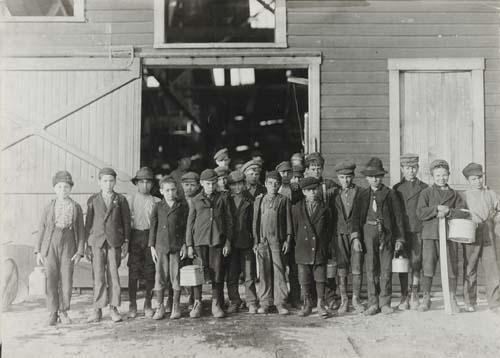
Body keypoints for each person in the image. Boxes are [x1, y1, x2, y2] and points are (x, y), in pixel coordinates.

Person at [351, 157, 405, 315]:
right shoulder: (362, 195)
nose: (375, 179)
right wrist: (356, 238)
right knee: (371, 268)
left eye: (378, 176)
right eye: (371, 176)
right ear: (367, 178)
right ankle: (373, 302)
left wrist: (400, 239)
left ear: (382, 177)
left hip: (386, 234)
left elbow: (398, 218)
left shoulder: (390, 194)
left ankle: (385, 302)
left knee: (386, 268)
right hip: (368, 233)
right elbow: (355, 219)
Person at [416, 159, 469, 313]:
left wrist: (449, 211)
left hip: (449, 236)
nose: (441, 178)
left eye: (444, 175)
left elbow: (463, 212)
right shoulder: (426, 192)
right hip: (430, 235)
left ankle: (452, 298)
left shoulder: (454, 194)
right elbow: (420, 212)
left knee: (451, 267)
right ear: (432, 176)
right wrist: (435, 209)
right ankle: (426, 298)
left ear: (449, 175)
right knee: (428, 266)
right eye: (438, 175)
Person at [35, 171, 85, 326]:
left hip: (69, 243)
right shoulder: (49, 207)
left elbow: (81, 231)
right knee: (51, 278)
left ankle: (63, 311)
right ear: (55, 189)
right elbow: (41, 229)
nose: (63, 190)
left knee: (66, 279)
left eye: (66, 187)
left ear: (70, 189)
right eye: (60, 187)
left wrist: (79, 251)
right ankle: (53, 311)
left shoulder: (76, 207)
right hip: (51, 244)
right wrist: (38, 250)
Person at [85, 167, 131, 323]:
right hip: (97, 242)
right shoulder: (93, 200)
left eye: (111, 181)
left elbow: (126, 223)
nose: (108, 184)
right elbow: (88, 223)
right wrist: (87, 243)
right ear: (99, 182)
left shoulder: (121, 200)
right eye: (105, 181)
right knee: (98, 276)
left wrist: (125, 242)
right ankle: (97, 309)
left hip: (114, 243)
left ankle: (114, 308)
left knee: (113, 275)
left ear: (115, 182)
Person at [185, 169, 233, 318]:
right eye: (208, 183)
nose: (211, 186)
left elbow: (229, 221)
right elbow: (190, 223)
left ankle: (216, 303)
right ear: (201, 183)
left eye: (213, 183)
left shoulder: (223, 198)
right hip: (200, 241)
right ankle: (197, 302)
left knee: (217, 272)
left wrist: (228, 242)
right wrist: (189, 245)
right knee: (198, 273)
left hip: (217, 241)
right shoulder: (195, 200)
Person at [461, 163, 500, 313]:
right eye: (473, 179)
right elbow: (460, 213)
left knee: (492, 269)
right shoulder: (464, 196)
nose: (477, 181)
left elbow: (498, 211)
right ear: (468, 180)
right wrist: (470, 217)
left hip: (488, 233)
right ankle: (470, 301)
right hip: (471, 234)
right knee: (470, 268)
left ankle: (494, 303)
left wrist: (496, 220)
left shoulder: (491, 194)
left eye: (479, 178)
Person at [149, 177, 189, 320]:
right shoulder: (158, 206)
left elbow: (185, 227)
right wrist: (152, 246)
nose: (170, 193)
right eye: (167, 190)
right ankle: (160, 307)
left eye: (173, 190)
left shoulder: (182, 206)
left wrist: (184, 243)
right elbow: (153, 227)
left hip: (176, 247)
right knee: (160, 276)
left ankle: (175, 306)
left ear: (176, 190)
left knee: (176, 277)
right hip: (161, 246)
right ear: (161, 191)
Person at [253, 171, 292, 315]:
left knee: (279, 271)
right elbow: (255, 222)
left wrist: (287, 239)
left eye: (276, 184)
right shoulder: (259, 200)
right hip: (263, 241)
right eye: (270, 183)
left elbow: (289, 222)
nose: (273, 186)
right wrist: (256, 241)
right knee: (264, 271)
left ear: (280, 185)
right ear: (265, 184)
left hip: (277, 240)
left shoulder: (284, 200)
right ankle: (264, 303)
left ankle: (280, 303)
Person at [292, 177, 332, 318]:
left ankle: (321, 303)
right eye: (309, 190)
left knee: (320, 277)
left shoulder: (325, 209)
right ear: (303, 192)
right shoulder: (296, 208)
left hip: (319, 247)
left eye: (315, 189)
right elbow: (295, 230)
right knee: (304, 278)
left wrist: (326, 247)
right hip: (303, 248)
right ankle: (307, 304)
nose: (313, 193)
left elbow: (329, 230)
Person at [393, 154, 428, 310]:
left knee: (416, 262)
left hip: (418, 230)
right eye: (407, 168)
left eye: (413, 168)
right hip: (402, 232)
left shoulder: (424, 188)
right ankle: (403, 295)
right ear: (402, 169)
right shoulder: (397, 188)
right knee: (402, 263)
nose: (411, 171)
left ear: (418, 168)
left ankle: (415, 293)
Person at [304, 152, 339, 310]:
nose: (316, 171)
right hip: (310, 231)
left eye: (319, 168)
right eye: (313, 168)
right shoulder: (304, 185)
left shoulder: (329, 184)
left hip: (327, 231)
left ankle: (330, 296)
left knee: (328, 263)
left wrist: (334, 192)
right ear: (308, 169)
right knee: (311, 264)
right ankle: (311, 298)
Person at [126, 167, 160, 319]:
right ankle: (132, 304)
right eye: (141, 182)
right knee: (133, 270)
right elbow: (125, 222)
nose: (145, 185)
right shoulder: (130, 199)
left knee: (150, 270)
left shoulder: (156, 201)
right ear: (137, 183)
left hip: (150, 237)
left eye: (148, 182)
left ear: (152, 184)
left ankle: (148, 303)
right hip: (134, 236)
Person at [332, 160, 365, 314]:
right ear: (338, 178)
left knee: (357, 266)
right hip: (339, 235)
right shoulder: (334, 194)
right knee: (342, 267)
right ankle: (344, 299)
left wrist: (357, 235)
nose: (346, 180)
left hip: (356, 235)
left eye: (348, 177)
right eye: (342, 177)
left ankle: (356, 299)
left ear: (353, 177)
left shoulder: (361, 192)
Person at [226, 170, 259, 314]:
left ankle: (251, 301)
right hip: (230, 244)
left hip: (246, 242)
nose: (237, 187)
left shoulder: (250, 200)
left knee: (249, 274)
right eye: (234, 185)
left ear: (244, 184)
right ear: (230, 186)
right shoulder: (225, 200)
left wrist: (255, 241)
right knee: (232, 274)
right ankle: (235, 300)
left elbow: (254, 223)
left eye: (240, 184)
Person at [276, 161, 301, 307]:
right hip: (278, 234)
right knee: (278, 267)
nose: (285, 175)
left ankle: (295, 297)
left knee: (294, 267)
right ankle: (279, 298)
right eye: (282, 173)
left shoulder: (297, 190)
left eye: (288, 172)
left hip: (295, 234)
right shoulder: (272, 190)